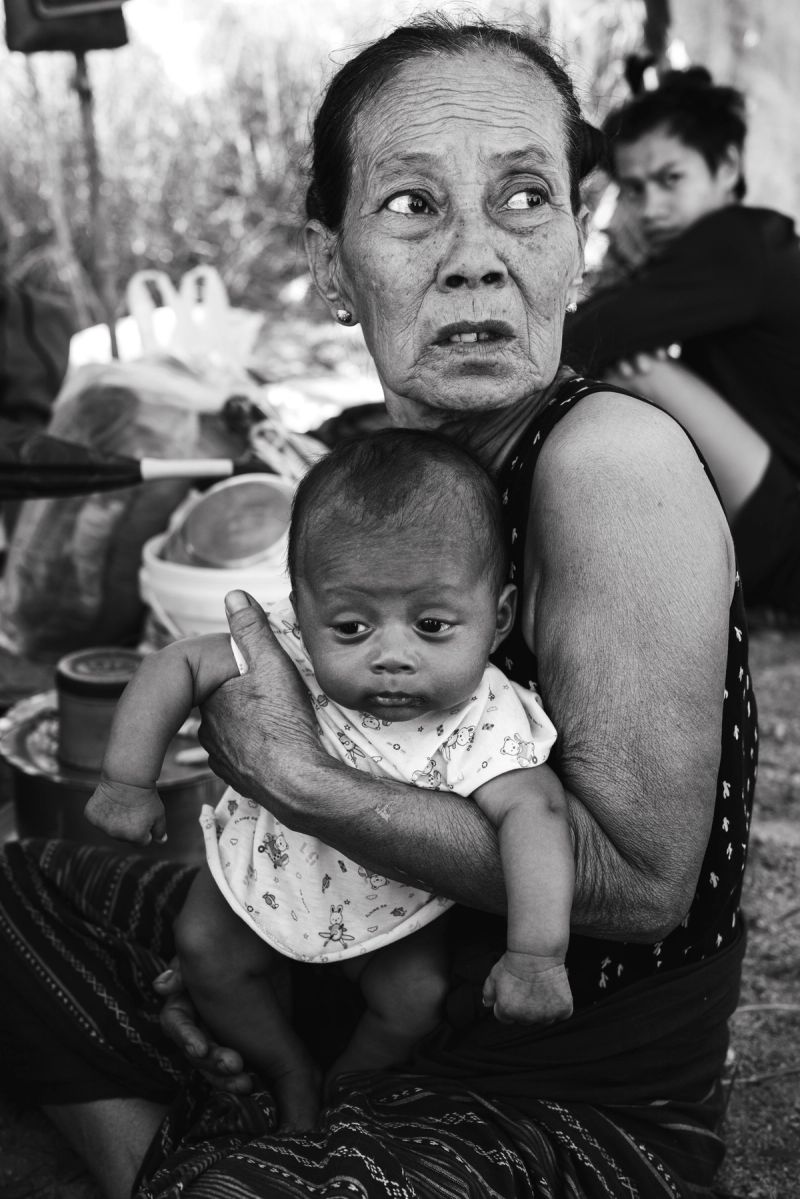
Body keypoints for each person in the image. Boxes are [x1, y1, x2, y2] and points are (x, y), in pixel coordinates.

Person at [0, 15, 754, 1199]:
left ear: (571, 251)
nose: (473, 256)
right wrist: (245, 916)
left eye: (522, 199)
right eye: (411, 205)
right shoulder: (395, 478)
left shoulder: (610, 460)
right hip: (354, 963)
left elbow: (643, 882)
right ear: (331, 263)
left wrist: (300, 779)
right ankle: (206, 1132)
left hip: (555, 1090)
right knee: (21, 889)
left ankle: (207, 1157)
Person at [83, 428, 572, 1131]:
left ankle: (347, 1088)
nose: (392, 655)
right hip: (263, 874)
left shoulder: (485, 717)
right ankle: (287, 1070)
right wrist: (128, 778)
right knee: (204, 948)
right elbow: (179, 664)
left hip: (393, 909)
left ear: (495, 620)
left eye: (433, 624)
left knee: (416, 996)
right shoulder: (284, 650)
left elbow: (537, 814)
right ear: (301, 607)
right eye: (350, 625)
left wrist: (536, 954)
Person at [563, 65, 800, 619]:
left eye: (671, 180)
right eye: (636, 189)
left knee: (633, 368)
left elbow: (581, 338)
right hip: (779, 504)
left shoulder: (734, 243)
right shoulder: (756, 243)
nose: (651, 209)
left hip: (790, 536)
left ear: (726, 167)